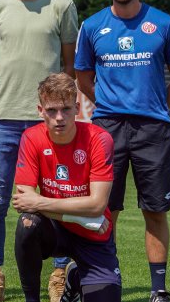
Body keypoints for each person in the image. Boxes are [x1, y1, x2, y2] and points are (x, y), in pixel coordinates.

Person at [0, 0, 78, 302]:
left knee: (57, 196)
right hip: (4, 119)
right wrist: (15, 96)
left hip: (49, 123)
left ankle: (59, 276)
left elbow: (68, 68)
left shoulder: (62, 6)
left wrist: (55, 108)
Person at [75, 0, 170, 302]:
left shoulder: (164, 23)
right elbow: (84, 78)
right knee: (107, 210)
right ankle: (108, 282)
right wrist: (109, 104)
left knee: (155, 210)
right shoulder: (92, 27)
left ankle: (159, 290)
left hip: (153, 130)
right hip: (107, 129)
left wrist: (155, 107)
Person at [13, 72, 122, 302]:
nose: (59, 117)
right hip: (58, 229)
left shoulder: (100, 139)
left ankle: (73, 278)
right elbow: (24, 201)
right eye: (51, 110)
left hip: (94, 234)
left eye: (66, 109)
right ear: (40, 110)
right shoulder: (30, 138)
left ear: (77, 108)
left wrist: (40, 202)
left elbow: (97, 205)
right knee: (27, 223)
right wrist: (80, 217)